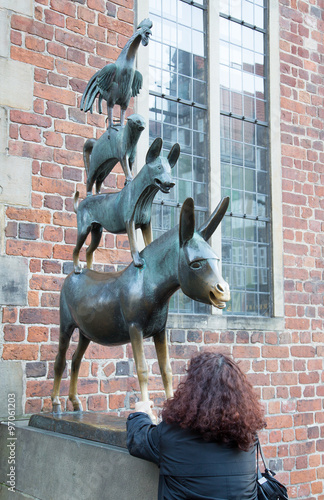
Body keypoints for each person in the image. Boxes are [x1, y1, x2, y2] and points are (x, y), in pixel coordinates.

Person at [127, 351, 266, 500]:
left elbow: (138, 440)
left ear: (192, 389)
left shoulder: (172, 436)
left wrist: (141, 414)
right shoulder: (248, 439)